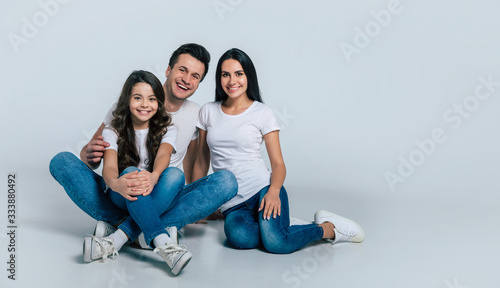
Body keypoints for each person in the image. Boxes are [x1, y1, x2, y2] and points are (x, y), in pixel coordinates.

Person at [49, 44, 238, 269]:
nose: (187, 79)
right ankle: (153, 232)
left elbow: (194, 160)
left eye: (195, 76)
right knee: (63, 161)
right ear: (168, 70)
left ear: (199, 82)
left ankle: (118, 232)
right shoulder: (123, 110)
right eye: (182, 70)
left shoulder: (195, 114)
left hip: (164, 192)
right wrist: (90, 156)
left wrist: (200, 203)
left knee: (218, 180)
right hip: (122, 190)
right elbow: (92, 154)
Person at [193, 48, 365, 254]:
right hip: (233, 203)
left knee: (277, 243)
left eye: (239, 74)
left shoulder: (262, 113)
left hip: (262, 189)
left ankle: (328, 228)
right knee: (240, 238)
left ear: (249, 76)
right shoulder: (208, 111)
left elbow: (278, 164)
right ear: (219, 78)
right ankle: (276, 225)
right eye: (225, 74)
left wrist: (274, 191)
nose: (232, 81)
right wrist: (200, 205)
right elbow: (202, 162)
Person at [83, 70, 191, 274]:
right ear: (127, 100)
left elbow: (163, 157)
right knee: (131, 172)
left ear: (158, 102)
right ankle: (162, 241)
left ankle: (117, 237)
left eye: (151, 99)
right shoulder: (112, 130)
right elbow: (110, 168)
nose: (144, 104)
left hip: (150, 192)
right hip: (120, 193)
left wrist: (153, 176)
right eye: (137, 98)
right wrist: (115, 183)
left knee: (176, 175)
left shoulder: (168, 129)